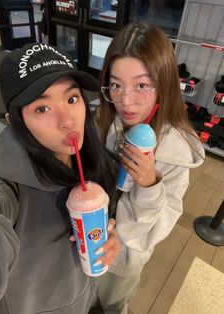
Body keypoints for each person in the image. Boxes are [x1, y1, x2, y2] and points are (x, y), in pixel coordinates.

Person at [0, 43, 120, 314]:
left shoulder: (92, 159)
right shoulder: (6, 188)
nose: (67, 121)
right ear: (14, 122)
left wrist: (108, 239)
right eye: (42, 109)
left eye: (72, 99)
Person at [94, 22, 205, 313]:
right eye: (116, 85)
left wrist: (149, 184)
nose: (126, 101)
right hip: (91, 237)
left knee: (114, 303)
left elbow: (162, 223)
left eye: (142, 85)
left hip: (125, 257)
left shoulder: (173, 149)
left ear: (164, 82)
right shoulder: (105, 120)